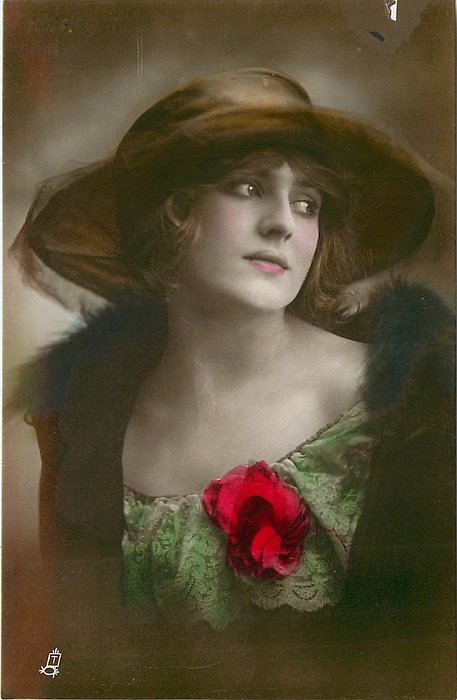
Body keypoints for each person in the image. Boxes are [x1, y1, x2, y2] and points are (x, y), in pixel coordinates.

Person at [10, 68, 454, 698]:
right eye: (248, 187)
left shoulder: (409, 405)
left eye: (307, 203)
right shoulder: (86, 428)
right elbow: (66, 661)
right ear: (173, 213)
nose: (283, 224)